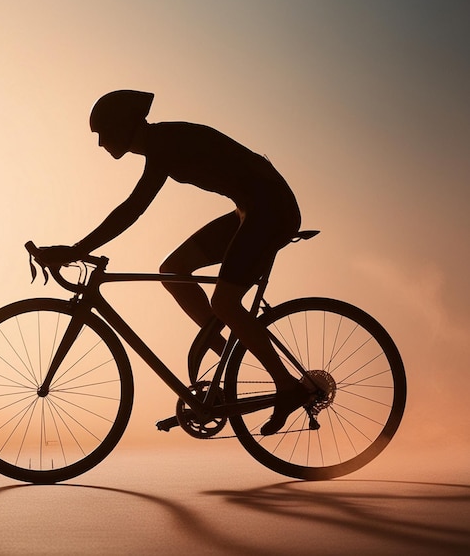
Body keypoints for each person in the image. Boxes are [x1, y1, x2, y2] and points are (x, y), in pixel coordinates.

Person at [57, 90, 313, 435]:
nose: (101, 143)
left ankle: (288, 387)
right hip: (252, 209)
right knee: (173, 270)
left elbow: (132, 209)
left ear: (122, 125)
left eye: (103, 132)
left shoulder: (165, 142)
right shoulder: (161, 142)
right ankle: (228, 356)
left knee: (224, 301)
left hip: (271, 210)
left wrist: (74, 250)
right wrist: (75, 249)